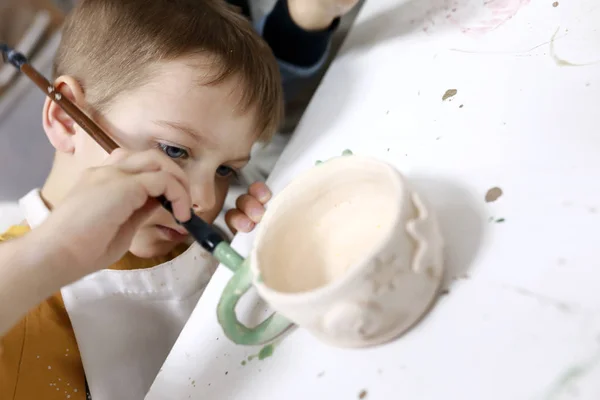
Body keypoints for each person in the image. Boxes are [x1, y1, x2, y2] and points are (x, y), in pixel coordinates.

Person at [0, 0, 282, 399]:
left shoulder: (187, 238)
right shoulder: (24, 309)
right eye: (173, 151)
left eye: (225, 171)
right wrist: (53, 252)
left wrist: (253, 261)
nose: (204, 199)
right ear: (67, 118)